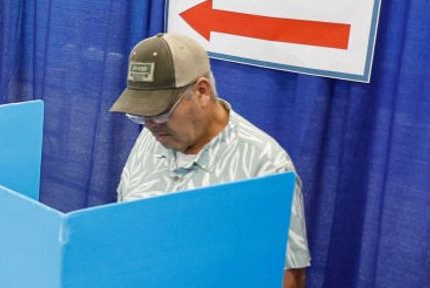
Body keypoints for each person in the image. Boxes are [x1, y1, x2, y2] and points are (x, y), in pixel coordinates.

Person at [109, 33, 310, 288]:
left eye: (160, 113)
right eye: (142, 115)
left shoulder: (265, 165)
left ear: (202, 91)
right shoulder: (154, 136)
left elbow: (288, 277)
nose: (150, 125)